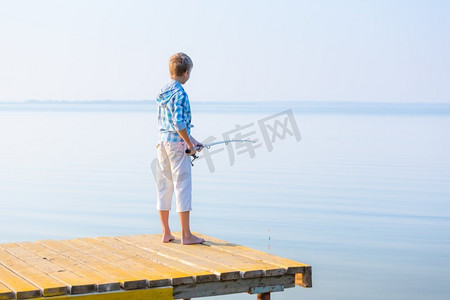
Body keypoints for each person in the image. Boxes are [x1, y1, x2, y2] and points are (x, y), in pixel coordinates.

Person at [155, 52, 205, 245]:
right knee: (182, 187)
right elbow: (179, 123)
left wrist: (193, 141)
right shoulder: (181, 94)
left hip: (162, 144)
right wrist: (190, 146)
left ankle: (166, 233)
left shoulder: (163, 91)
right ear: (185, 73)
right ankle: (186, 235)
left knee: (164, 188)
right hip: (177, 146)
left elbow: (172, 125)